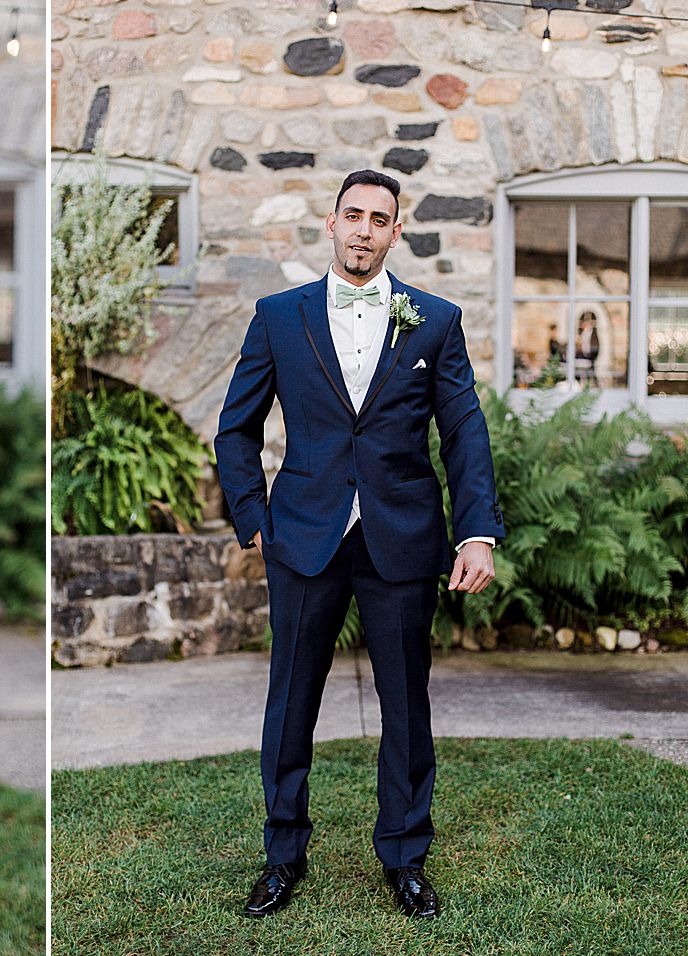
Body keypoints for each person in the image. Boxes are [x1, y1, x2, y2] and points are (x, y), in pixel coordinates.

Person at [214, 169, 503, 921]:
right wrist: (253, 519)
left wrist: (477, 532)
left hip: (401, 539)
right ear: (333, 223)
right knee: (290, 703)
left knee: (407, 705)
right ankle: (283, 856)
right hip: (303, 537)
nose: (365, 229)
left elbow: (464, 432)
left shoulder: (433, 320)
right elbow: (235, 429)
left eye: (380, 218)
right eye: (354, 215)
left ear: (395, 232)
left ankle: (404, 858)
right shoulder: (279, 316)